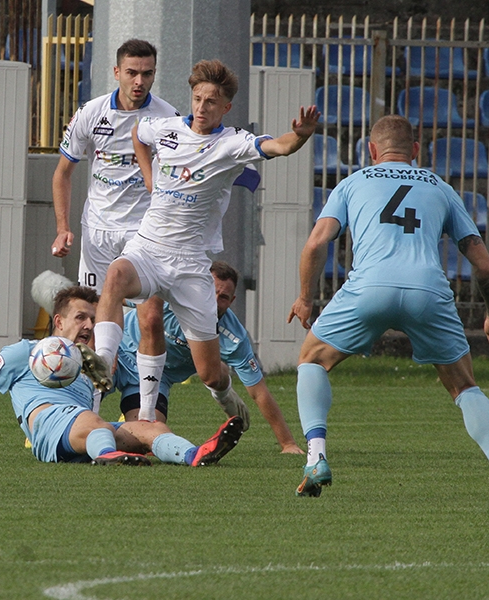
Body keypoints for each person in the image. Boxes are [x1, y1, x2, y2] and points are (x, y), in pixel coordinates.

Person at [287, 115, 489, 501]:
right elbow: (485, 266)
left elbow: (315, 243)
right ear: (416, 152)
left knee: (312, 360)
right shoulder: (441, 187)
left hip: (370, 286)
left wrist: (306, 297)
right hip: (427, 291)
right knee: (464, 386)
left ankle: (316, 457)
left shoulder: (353, 182)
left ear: (372, 151)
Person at [92, 59, 320, 424]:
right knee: (117, 277)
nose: (201, 107)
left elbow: (278, 146)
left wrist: (302, 135)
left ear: (225, 107)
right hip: (147, 248)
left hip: (189, 264)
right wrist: (149, 177)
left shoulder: (233, 143)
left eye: (211, 101)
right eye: (197, 98)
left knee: (210, 372)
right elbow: (139, 133)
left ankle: (226, 397)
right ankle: (104, 367)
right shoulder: (165, 127)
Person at [0, 286, 244, 467]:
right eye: (81, 318)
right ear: (58, 321)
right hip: (49, 429)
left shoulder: (95, 362)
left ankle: (195, 454)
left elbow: (133, 398)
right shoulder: (24, 353)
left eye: (94, 318)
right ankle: (108, 456)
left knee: (149, 428)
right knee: (94, 422)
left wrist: (143, 420)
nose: (90, 325)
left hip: (85, 431)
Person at [51, 38, 178, 420]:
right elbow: (63, 173)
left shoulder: (166, 117)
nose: (140, 81)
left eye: (148, 73)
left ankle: (145, 413)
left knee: (149, 319)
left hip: (144, 233)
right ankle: (69, 408)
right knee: (84, 322)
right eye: (133, 72)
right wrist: (62, 228)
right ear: (117, 72)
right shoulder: (90, 114)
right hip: (99, 235)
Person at [113, 260, 304, 454]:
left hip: (157, 379)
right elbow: (113, 295)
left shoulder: (234, 338)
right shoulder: (170, 298)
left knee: (146, 437)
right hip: (118, 355)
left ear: (232, 301)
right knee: (84, 404)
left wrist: (288, 444)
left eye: (223, 297)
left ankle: (221, 392)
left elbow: (259, 392)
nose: (214, 301)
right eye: (211, 291)